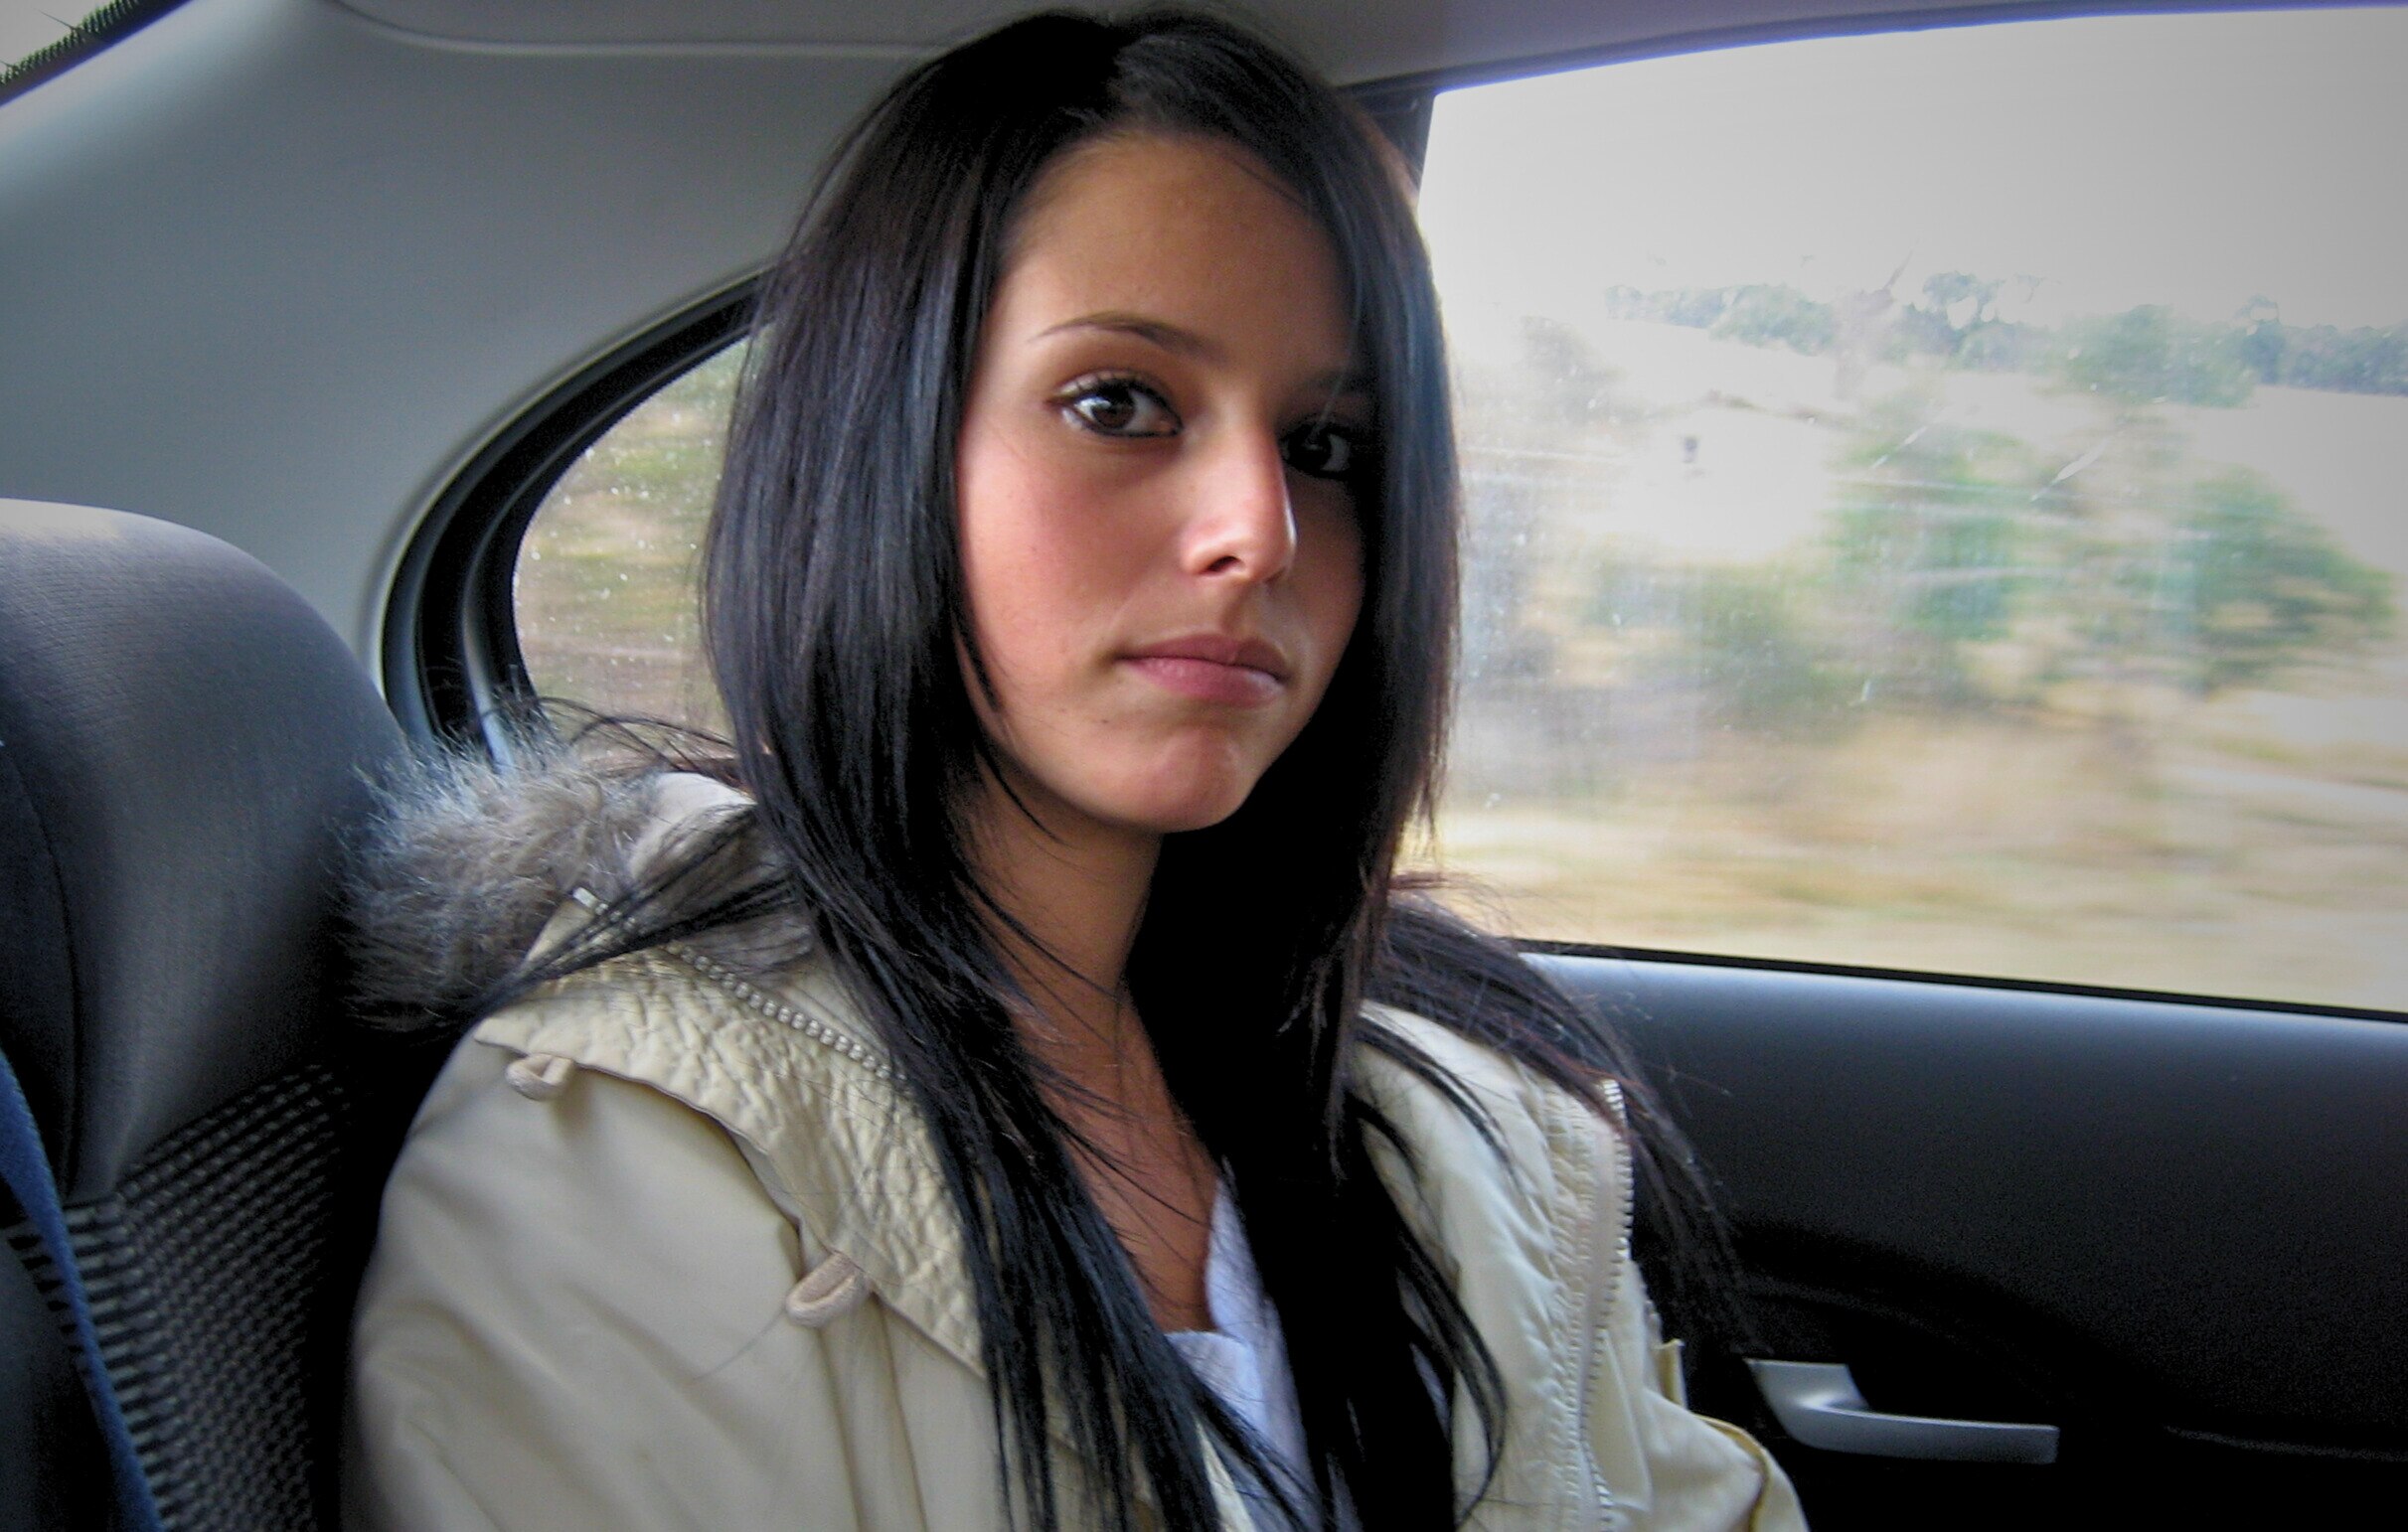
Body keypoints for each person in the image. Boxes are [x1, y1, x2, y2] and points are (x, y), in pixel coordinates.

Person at [344, 9, 1806, 1530]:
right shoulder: (619, 1161)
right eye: (1119, 403)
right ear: (882, 446)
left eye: (1327, 448)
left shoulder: (1459, 1126)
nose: (1261, 529)